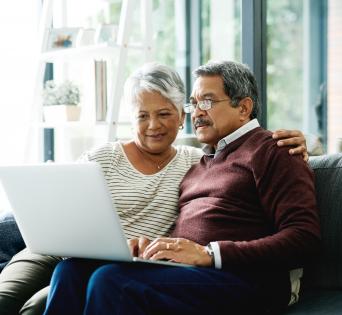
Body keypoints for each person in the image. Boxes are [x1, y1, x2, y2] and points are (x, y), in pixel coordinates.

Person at [0, 63, 308, 315]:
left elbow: (304, 238)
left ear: (244, 108)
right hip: (182, 271)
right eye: (196, 102)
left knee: (113, 281)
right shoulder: (203, 161)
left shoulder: (274, 149)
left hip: (243, 278)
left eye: (208, 102)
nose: (199, 111)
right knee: (71, 272)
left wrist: (208, 253)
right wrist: (152, 248)